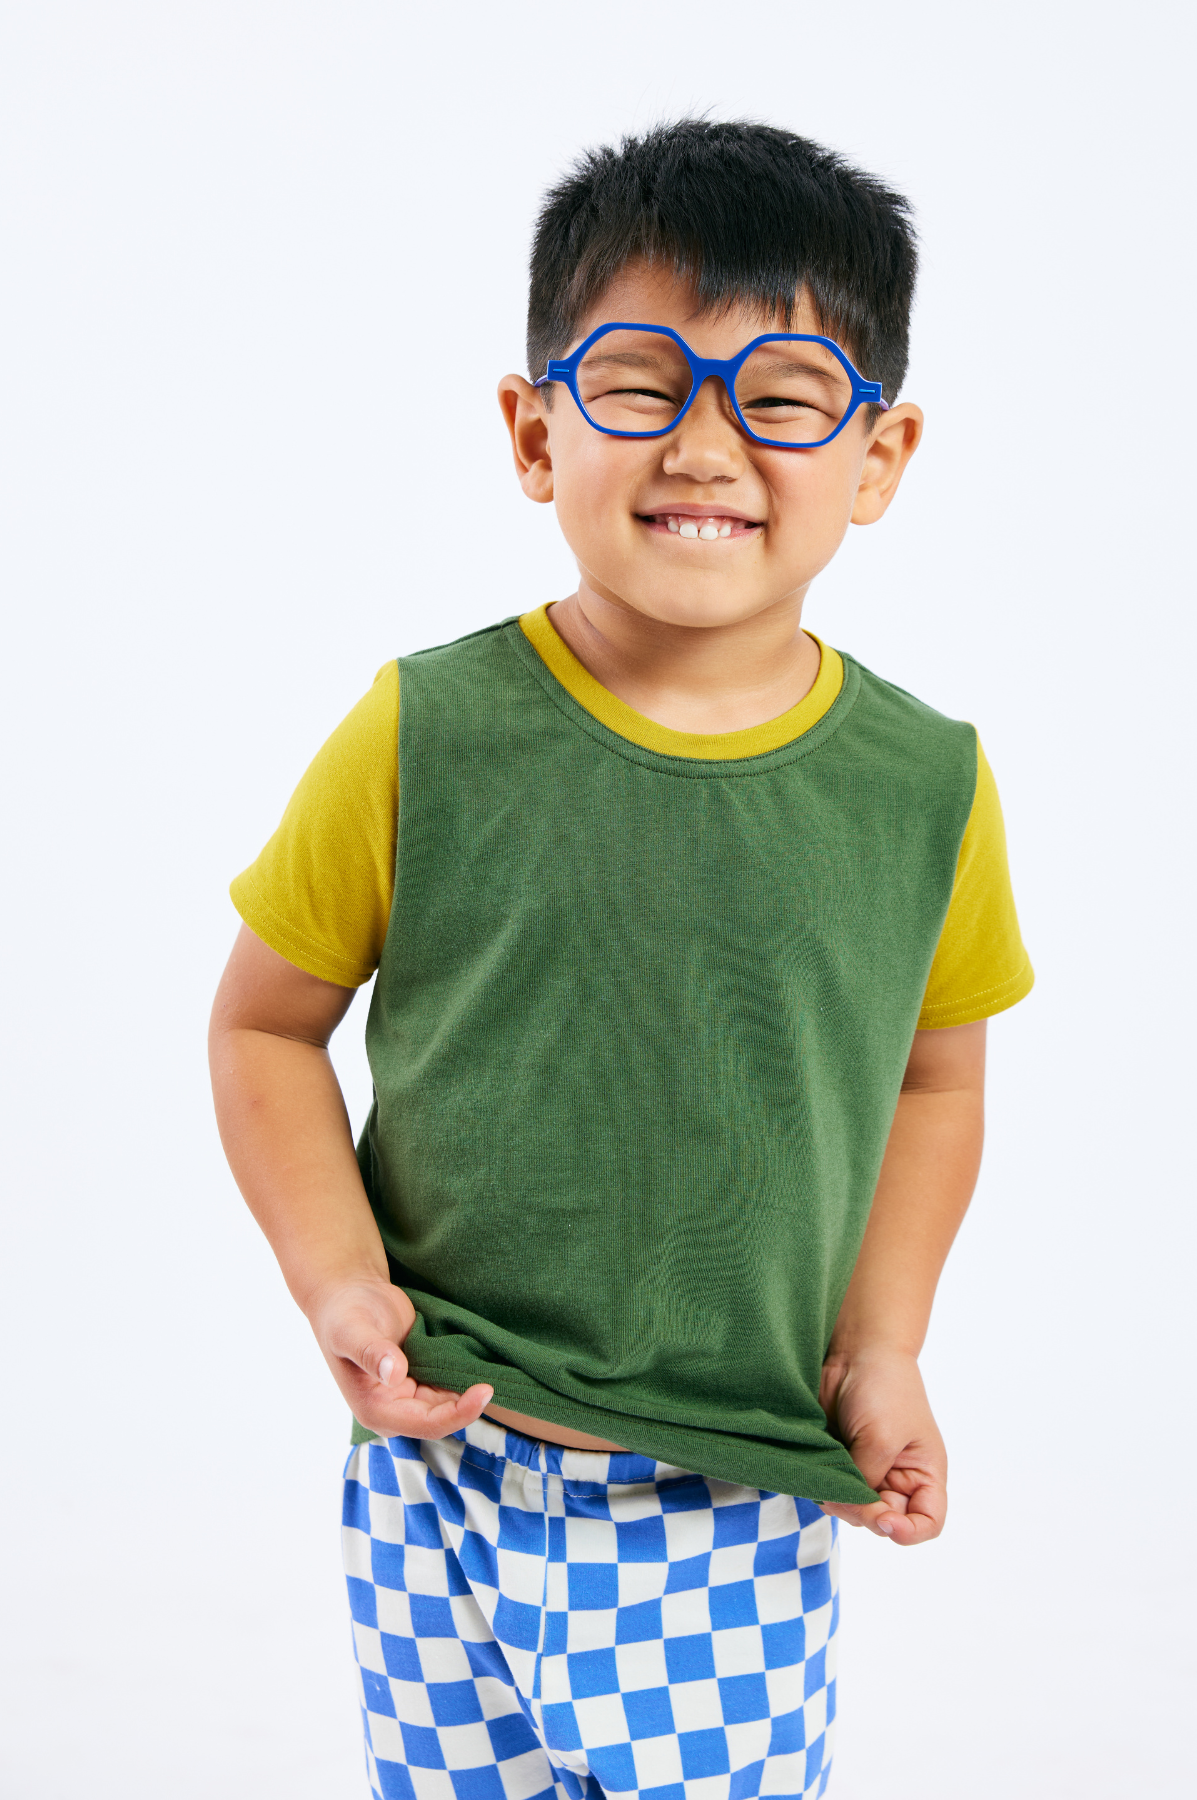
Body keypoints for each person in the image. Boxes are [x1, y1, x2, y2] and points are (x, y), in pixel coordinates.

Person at [209, 120, 1033, 1800]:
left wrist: (885, 1346)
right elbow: (264, 1029)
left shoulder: (923, 785)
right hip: (436, 1462)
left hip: (721, 1497)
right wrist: (336, 1282)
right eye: (642, 381)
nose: (709, 445)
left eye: (786, 394)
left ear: (879, 458)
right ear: (533, 430)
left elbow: (938, 1074)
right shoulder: (423, 732)